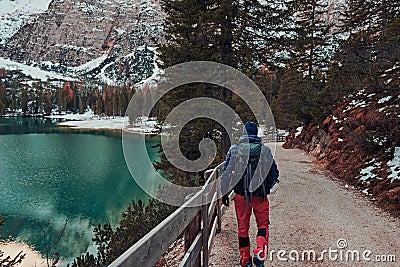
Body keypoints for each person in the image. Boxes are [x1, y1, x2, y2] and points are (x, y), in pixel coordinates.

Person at [220, 122, 279, 267]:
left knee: (242, 229)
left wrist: (225, 193)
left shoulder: (235, 150)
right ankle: (260, 251)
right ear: (256, 133)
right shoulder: (264, 150)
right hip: (261, 196)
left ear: (243, 134)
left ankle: (245, 261)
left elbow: (226, 173)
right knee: (263, 226)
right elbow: (274, 173)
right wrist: (266, 188)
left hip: (241, 196)